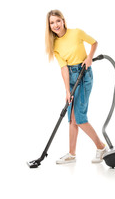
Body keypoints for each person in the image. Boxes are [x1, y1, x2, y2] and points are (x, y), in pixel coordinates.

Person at [45, 9, 107, 164]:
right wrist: (67, 90)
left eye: (58, 21)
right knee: (71, 119)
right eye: (52, 23)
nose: (56, 25)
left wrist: (89, 57)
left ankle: (101, 147)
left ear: (63, 20)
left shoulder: (77, 33)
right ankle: (72, 155)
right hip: (71, 77)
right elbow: (64, 68)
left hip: (84, 74)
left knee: (79, 118)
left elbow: (94, 42)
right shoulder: (55, 45)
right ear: (49, 26)